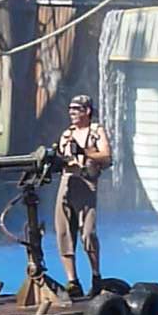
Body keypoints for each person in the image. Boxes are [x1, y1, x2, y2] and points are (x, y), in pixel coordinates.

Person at [55, 94, 111, 299]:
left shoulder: (96, 131)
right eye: (70, 109)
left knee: (88, 233)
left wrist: (85, 153)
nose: (71, 113)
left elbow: (106, 156)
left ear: (87, 111)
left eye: (76, 109)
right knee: (64, 232)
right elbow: (60, 157)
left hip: (87, 184)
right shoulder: (67, 134)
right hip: (67, 183)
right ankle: (73, 281)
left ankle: (96, 277)